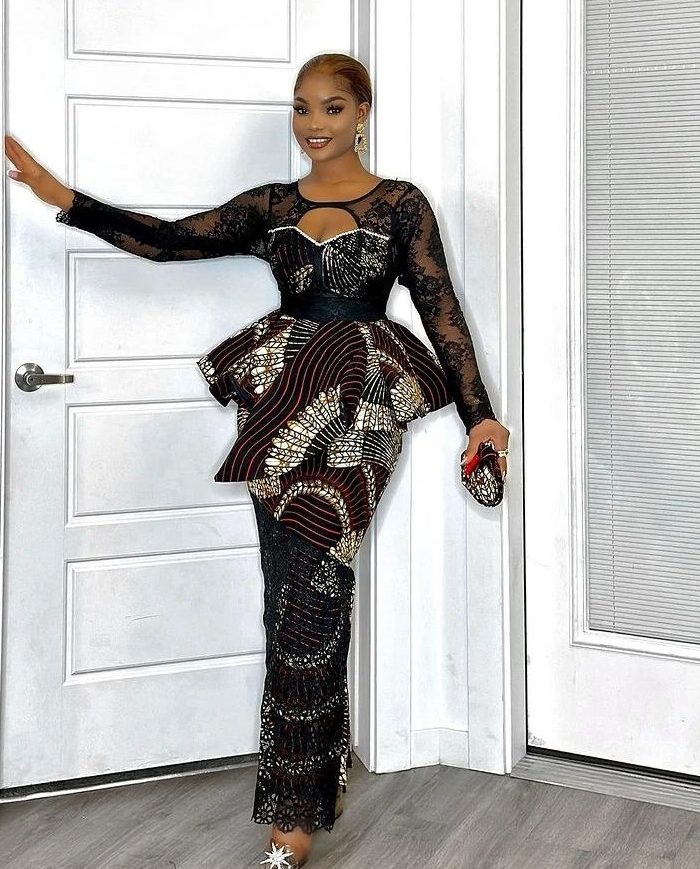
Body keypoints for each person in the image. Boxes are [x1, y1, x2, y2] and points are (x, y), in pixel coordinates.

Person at [5, 51, 510, 869]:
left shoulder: (401, 204)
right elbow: (170, 243)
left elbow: (440, 308)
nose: (314, 124)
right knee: (287, 599)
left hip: (360, 407)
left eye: (333, 107)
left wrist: (480, 416)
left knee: (316, 593)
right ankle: (314, 773)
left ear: (364, 112)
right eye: (302, 107)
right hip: (278, 405)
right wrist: (65, 200)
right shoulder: (272, 205)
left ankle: (294, 817)